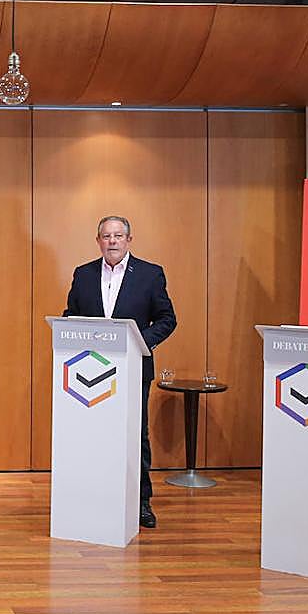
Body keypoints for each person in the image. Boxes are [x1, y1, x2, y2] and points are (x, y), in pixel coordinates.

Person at [63, 215, 176, 529]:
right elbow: (71, 315)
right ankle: (93, 497)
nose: (112, 241)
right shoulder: (83, 274)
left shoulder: (151, 274)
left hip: (133, 368)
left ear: (129, 240)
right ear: (98, 241)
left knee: (135, 436)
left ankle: (141, 501)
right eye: (106, 236)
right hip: (89, 371)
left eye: (118, 236)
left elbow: (167, 319)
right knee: (93, 434)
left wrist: (138, 341)